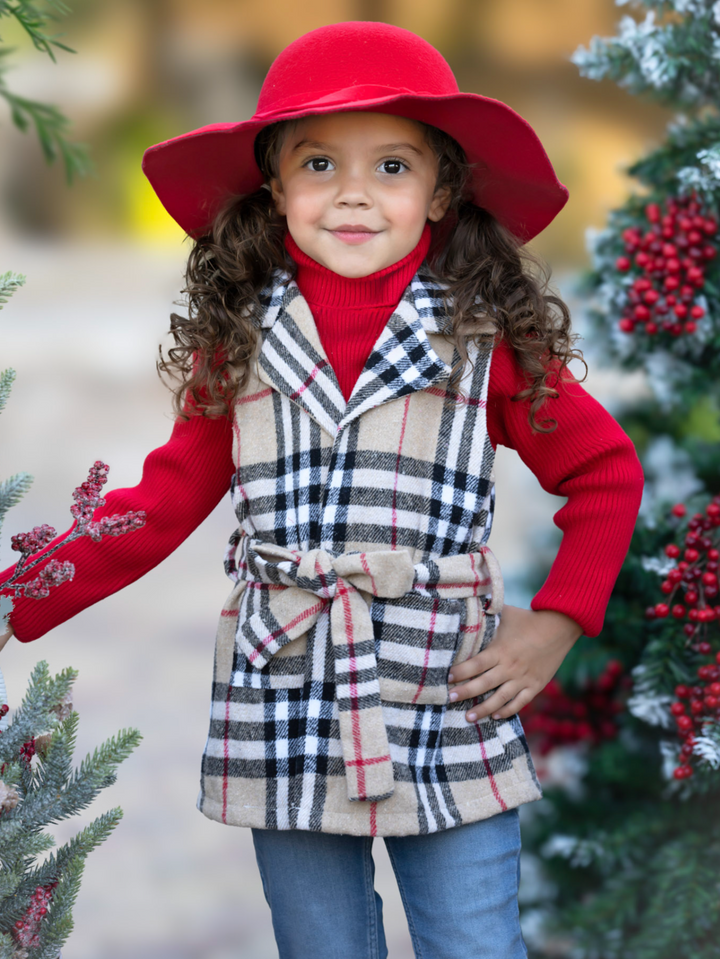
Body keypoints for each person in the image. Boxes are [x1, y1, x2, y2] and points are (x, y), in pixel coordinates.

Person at [0, 21, 644, 959]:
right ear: (274, 184)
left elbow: (604, 471)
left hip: (446, 688)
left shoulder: (485, 339)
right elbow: (165, 498)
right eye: (318, 163)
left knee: (472, 939)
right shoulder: (243, 339)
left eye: (391, 166)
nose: (352, 192)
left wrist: (556, 623)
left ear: (442, 191)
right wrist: (21, 594)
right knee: (321, 945)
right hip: (288, 682)